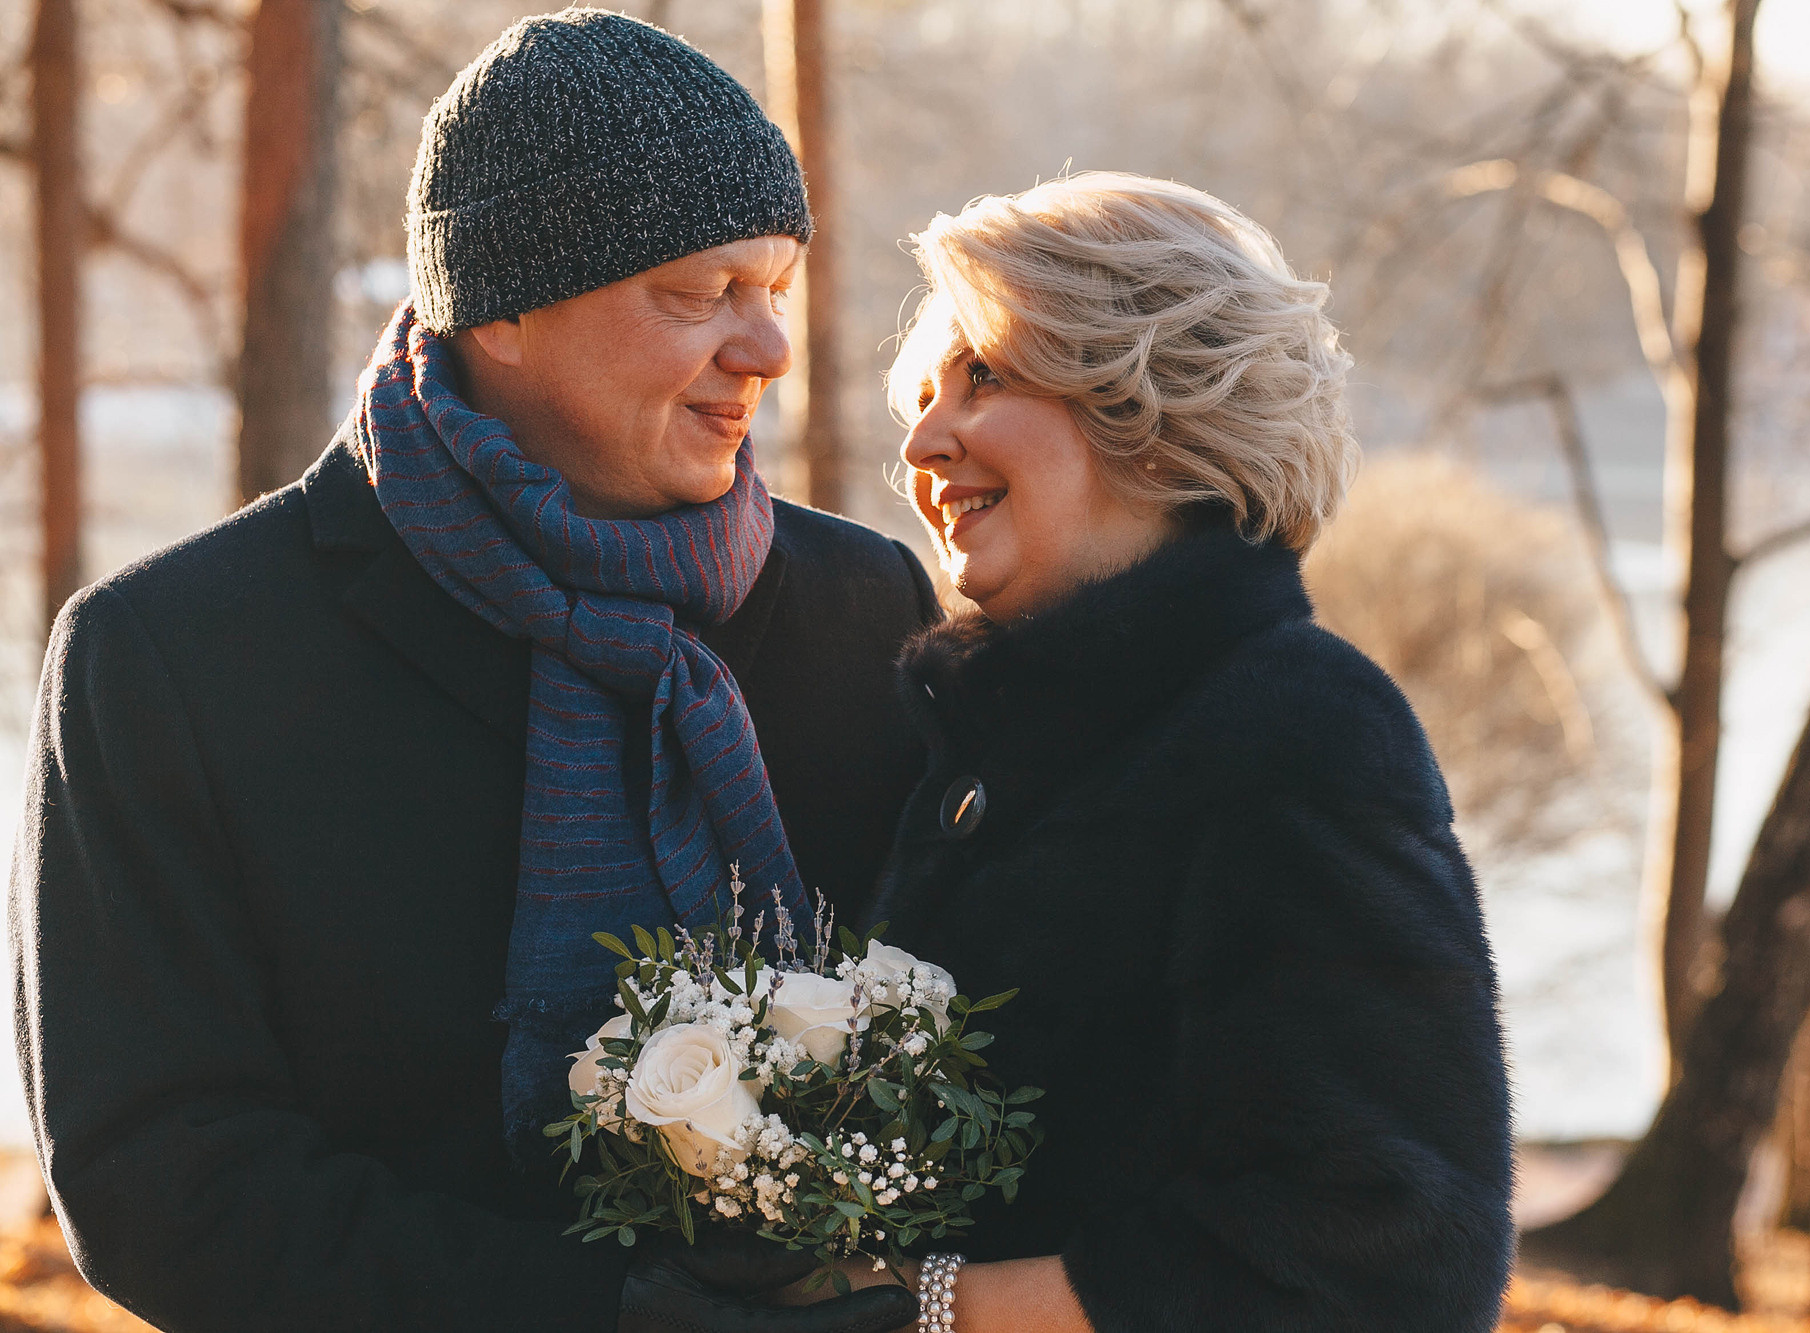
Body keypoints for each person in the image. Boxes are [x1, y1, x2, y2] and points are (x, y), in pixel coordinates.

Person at [12, 12, 926, 1332]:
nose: (767, 350)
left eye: (771, 288)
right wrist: (617, 1318)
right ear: (498, 305)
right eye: (696, 293)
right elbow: (166, 1178)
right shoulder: (171, 659)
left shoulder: (859, 606)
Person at [849, 173, 1516, 1331]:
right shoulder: (984, 742)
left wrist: (927, 1307)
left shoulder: (1290, 727)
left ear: (1141, 404)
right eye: (920, 394)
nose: (921, 438)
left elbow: (1388, 1247)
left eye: (984, 376)